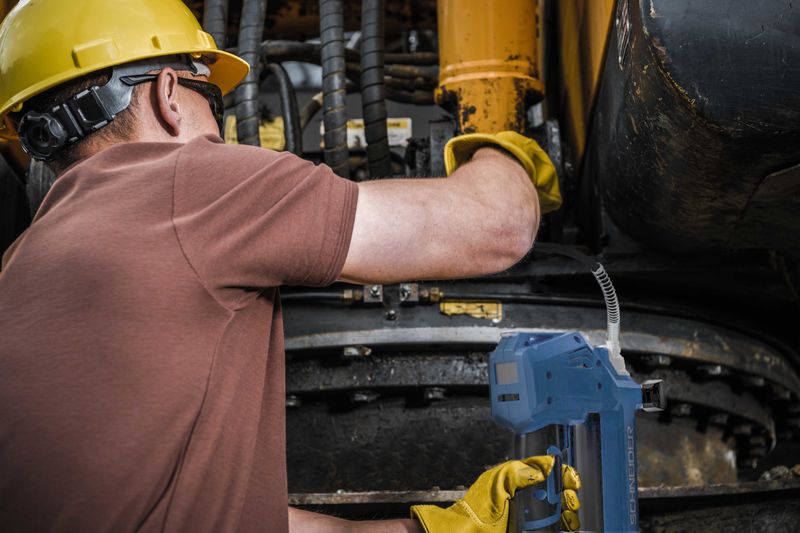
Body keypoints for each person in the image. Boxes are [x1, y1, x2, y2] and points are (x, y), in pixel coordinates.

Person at [0, 1, 578, 532]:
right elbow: (494, 226)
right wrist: (503, 149)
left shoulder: (19, 266)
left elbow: (211, 510)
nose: (222, 132)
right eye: (214, 100)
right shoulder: (192, 186)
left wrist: (420, 530)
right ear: (170, 94)